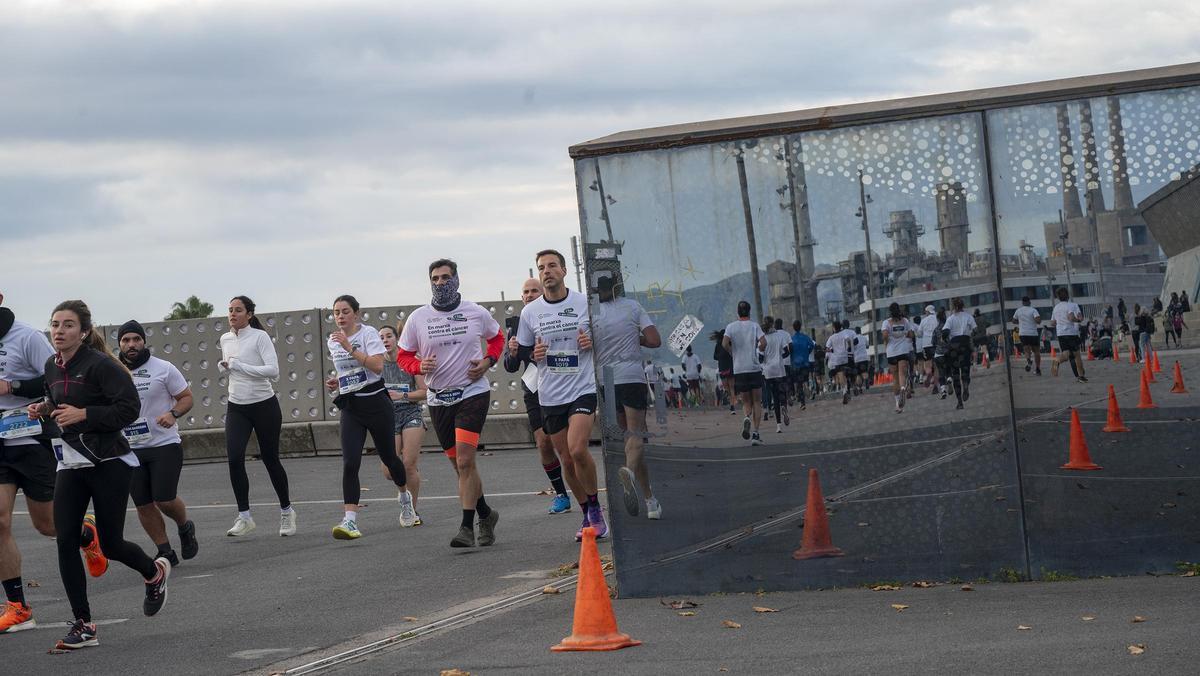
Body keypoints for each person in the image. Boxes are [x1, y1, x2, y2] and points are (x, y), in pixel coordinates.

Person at [26, 300, 170, 650]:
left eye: (68, 325)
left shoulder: (103, 365)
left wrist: (84, 415)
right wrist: (44, 407)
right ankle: (83, 624)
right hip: (71, 463)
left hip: (109, 462)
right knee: (64, 540)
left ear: (84, 331)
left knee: (111, 543)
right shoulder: (50, 364)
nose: (59, 331)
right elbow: (55, 395)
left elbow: (128, 410)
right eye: (55, 324)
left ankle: (155, 573)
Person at [398, 259, 504, 548]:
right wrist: (419, 366)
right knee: (460, 468)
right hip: (439, 399)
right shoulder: (418, 318)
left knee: (465, 460)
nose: (441, 283)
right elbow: (403, 356)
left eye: (446, 278)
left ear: (457, 279)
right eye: (435, 279)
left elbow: (497, 339)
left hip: (472, 393)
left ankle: (466, 527)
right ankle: (486, 514)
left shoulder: (475, 312)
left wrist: (486, 362)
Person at [514, 249, 607, 541]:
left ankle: (595, 507)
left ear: (564, 270)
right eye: (542, 267)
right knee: (566, 460)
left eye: (552, 266)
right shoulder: (530, 312)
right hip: (551, 394)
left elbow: (606, 338)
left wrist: (591, 341)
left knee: (578, 449)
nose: (547, 271)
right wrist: (534, 353)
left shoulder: (584, 303)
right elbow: (525, 351)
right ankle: (586, 512)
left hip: (582, 387)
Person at [324, 295, 415, 540]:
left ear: (356, 313)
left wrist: (349, 347)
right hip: (351, 406)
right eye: (336, 313)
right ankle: (350, 520)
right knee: (350, 462)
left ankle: (405, 497)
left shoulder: (368, 334)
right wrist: (336, 382)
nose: (340, 316)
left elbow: (376, 367)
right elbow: (348, 370)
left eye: (345, 311)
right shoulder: (333, 340)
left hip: (376, 402)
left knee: (389, 458)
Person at [0, 292, 61, 634]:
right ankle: (18, 607)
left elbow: (56, 378)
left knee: (48, 526)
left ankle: (85, 532)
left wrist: (12, 385)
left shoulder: (26, 336)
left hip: (31, 437)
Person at [116, 321, 199, 566]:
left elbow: (186, 398)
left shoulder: (163, 368)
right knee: (143, 503)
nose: (131, 345)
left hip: (164, 443)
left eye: (136, 339)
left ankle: (184, 526)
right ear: (119, 344)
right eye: (126, 340)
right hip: (129, 447)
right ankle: (165, 550)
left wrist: (173, 414)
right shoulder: (113, 370)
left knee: (164, 498)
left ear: (143, 341)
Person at [220, 296, 295, 537]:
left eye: (238, 310)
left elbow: (273, 372)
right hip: (237, 406)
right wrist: (225, 368)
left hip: (264, 406)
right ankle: (244, 516)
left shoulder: (260, 337)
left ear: (249, 314)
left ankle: (286, 511)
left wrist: (240, 366)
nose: (233, 314)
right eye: (230, 310)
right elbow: (233, 368)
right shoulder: (225, 338)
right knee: (234, 459)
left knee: (270, 458)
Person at [503, 277, 579, 516]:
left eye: (534, 291)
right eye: (525, 292)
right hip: (534, 389)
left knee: (570, 446)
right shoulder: (516, 326)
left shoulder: (557, 316)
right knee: (543, 443)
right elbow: (510, 366)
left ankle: (583, 489)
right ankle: (561, 494)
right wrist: (513, 352)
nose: (529, 295)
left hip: (566, 385)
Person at [590, 275, 663, 520]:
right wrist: (635, 338)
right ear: (617, 286)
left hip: (605, 379)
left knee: (629, 442)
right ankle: (629, 473)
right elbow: (654, 340)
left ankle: (650, 500)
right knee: (637, 434)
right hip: (631, 374)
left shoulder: (591, 311)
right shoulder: (632, 306)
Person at [379, 323, 428, 524]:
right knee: (389, 471)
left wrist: (403, 395)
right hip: (388, 417)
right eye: (381, 338)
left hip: (411, 413)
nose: (385, 340)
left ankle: (411, 510)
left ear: (397, 339)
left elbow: (425, 392)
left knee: (408, 465)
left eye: (388, 336)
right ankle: (403, 489)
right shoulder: (376, 364)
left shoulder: (409, 361)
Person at [723, 301, 767, 446]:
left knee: (747, 401)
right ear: (749, 311)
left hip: (739, 369)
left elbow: (724, 343)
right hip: (754, 367)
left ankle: (747, 417)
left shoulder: (731, 327)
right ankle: (755, 433)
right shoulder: (755, 326)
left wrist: (732, 353)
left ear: (738, 312)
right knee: (757, 401)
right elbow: (764, 343)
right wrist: (757, 350)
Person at [882, 303, 917, 413]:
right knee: (902, 373)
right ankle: (903, 388)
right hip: (903, 350)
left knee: (895, 377)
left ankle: (898, 404)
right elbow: (911, 335)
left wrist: (887, 342)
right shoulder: (905, 321)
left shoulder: (886, 322)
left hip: (891, 352)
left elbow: (885, 335)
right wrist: (904, 334)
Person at [943, 298, 976, 410]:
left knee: (955, 373)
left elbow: (945, 332)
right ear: (963, 306)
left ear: (953, 307)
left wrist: (947, 340)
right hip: (965, 344)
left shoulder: (950, 319)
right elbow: (975, 329)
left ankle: (960, 402)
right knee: (965, 369)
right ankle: (966, 383)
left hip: (954, 345)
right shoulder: (968, 316)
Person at [1049, 287, 1087, 383]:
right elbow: (1071, 318)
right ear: (1068, 295)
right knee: (1077, 355)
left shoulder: (1056, 308)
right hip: (1071, 333)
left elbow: (1052, 323)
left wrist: (1060, 321)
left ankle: (1057, 361)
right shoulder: (1070, 305)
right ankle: (1081, 376)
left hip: (1060, 334)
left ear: (1058, 297)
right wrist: (1078, 320)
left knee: (1066, 354)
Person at [761, 316, 790, 433]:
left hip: (768, 372)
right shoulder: (779, 336)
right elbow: (787, 351)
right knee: (782, 394)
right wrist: (780, 358)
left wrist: (765, 361)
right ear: (773, 324)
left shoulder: (763, 338)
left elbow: (760, 357)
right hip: (780, 369)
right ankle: (784, 407)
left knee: (774, 398)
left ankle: (778, 426)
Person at [824, 320, 854, 405]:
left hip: (837, 359)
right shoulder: (844, 333)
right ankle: (847, 389)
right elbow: (848, 340)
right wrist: (848, 348)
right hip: (845, 357)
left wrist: (832, 350)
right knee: (845, 375)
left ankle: (844, 391)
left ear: (833, 328)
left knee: (840, 375)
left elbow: (826, 348)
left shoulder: (831, 337)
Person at [1011, 296, 1042, 375]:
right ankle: (1038, 369)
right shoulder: (1033, 310)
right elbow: (1038, 321)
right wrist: (1033, 321)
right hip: (1033, 333)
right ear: (1029, 302)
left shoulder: (1018, 311)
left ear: (1022, 302)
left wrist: (1021, 322)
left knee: (1026, 349)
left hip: (1023, 333)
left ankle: (1029, 361)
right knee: (1036, 351)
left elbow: (1013, 321)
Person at [789, 321, 815, 411]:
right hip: (805, 363)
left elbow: (789, 350)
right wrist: (807, 352)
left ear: (793, 327)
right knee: (805, 380)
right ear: (800, 327)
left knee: (798, 384)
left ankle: (802, 402)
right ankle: (807, 388)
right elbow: (812, 344)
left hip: (796, 365)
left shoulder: (791, 339)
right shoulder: (805, 337)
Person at [711, 329, 735, 413]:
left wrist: (720, 356)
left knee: (727, 388)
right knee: (731, 387)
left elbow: (715, 357)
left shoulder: (718, 345)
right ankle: (732, 405)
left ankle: (732, 404)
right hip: (730, 367)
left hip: (722, 369)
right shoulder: (730, 343)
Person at [916, 305, 938, 389]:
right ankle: (935, 384)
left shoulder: (923, 321)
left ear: (927, 312)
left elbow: (919, 334)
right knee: (936, 366)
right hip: (936, 344)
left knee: (927, 364)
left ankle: (928, 373)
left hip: (926, 345)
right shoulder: (937, 319)